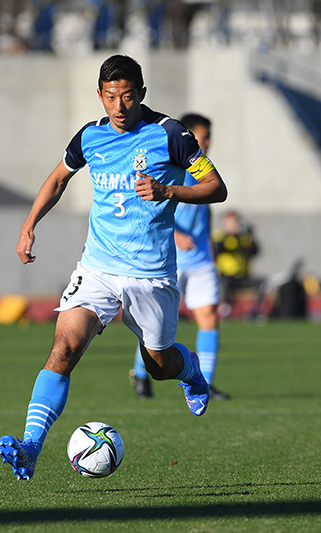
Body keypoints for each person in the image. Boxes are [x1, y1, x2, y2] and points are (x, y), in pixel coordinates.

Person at [0, 55, 228, 481]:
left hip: (151, 274)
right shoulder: (90, 137)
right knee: (64, 349)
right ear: (100, 96)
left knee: (158, 365)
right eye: (110, 97)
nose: (119, 106)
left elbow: (217, 187)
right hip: (98, 268)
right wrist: (29, 225)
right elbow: (58, 179)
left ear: (141, 93)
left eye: (127, 96)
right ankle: (30, 446)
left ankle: (190, 370)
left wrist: (168, 190)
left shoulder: (172, 135)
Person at [129, 113, 230, 401]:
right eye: (202, 137)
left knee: (209, 318)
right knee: (156, 323)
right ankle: (140, 373)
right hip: (169, 261)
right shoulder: (172, 168)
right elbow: (147, 210)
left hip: (201, 261)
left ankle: (205, 382)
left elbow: (205, 212)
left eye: (209, 137)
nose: (207, 143)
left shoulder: (205, 173)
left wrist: (210, 250)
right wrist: (175, 235)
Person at [212, 210, 263, 318]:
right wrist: (229, 235)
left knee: (262, 283)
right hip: (226, 275)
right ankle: (225, 310)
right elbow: (217, 249)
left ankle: (255, 311)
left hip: (243, 275)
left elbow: (255, 251)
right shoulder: (220, 236)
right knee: (225, 284)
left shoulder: (244, 237)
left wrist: (250, 235)